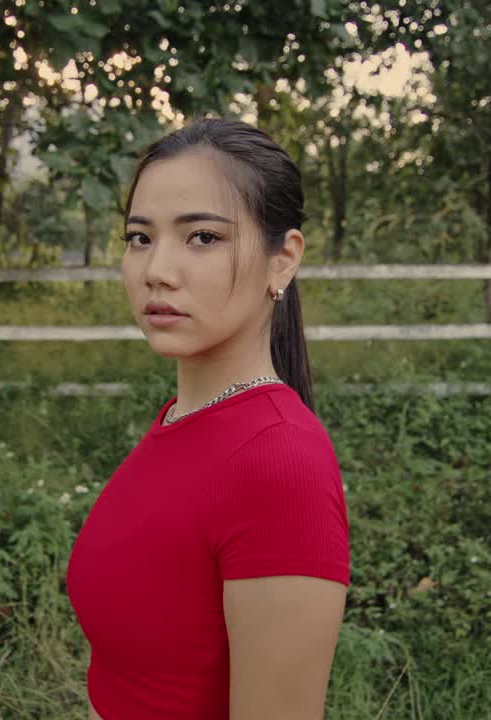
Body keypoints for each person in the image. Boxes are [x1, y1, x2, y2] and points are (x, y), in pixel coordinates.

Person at [65, 118, 351, 719]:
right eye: (140, 238)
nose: (156, 270)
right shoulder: (181, 419)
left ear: (283, 260)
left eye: (201, 237)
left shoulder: (279, 462)